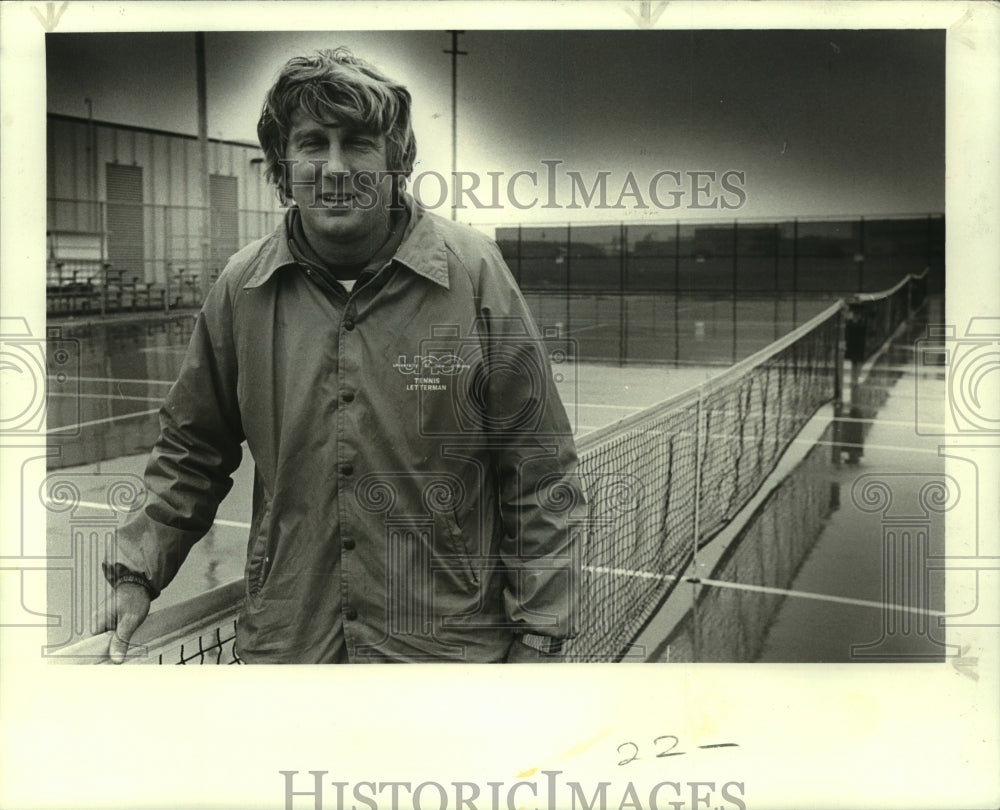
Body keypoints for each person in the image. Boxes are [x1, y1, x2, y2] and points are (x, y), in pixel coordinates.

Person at [94, 48, 584, 664]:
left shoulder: (475, 273)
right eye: (312, 143)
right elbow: (192, 450)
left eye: (357, 143)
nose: (334, 167)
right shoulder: (241, 287)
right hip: (291, 649)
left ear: (395, 160)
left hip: (447, 655)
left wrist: (540, 629)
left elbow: (539, 469)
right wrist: (136, 573)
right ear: (282, 162)